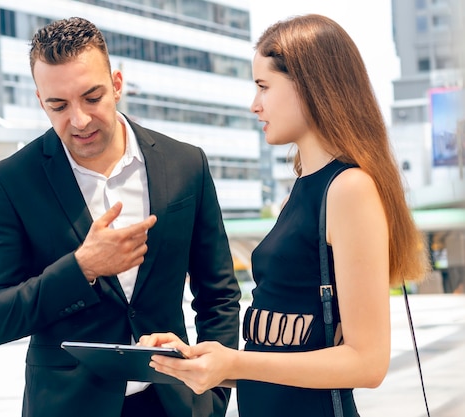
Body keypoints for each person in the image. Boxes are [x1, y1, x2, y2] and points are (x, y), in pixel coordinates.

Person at [140, 14, 430, 417]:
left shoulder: (348, 188)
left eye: (263, 86)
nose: (254, 104)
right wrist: (199, 360)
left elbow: (368, 362)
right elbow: (280, 356)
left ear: (310, 86)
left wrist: (236, 362)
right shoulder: (303, 186)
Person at [0, 16, 241, 417]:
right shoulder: (11, 181)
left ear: (116, 84)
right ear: (41, 101)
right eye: (58, 105)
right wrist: (81, 268)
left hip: (175, 404)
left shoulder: (185, 164)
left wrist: (212, 400)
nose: (78, 120)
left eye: (91, 97)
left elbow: (219, 294)